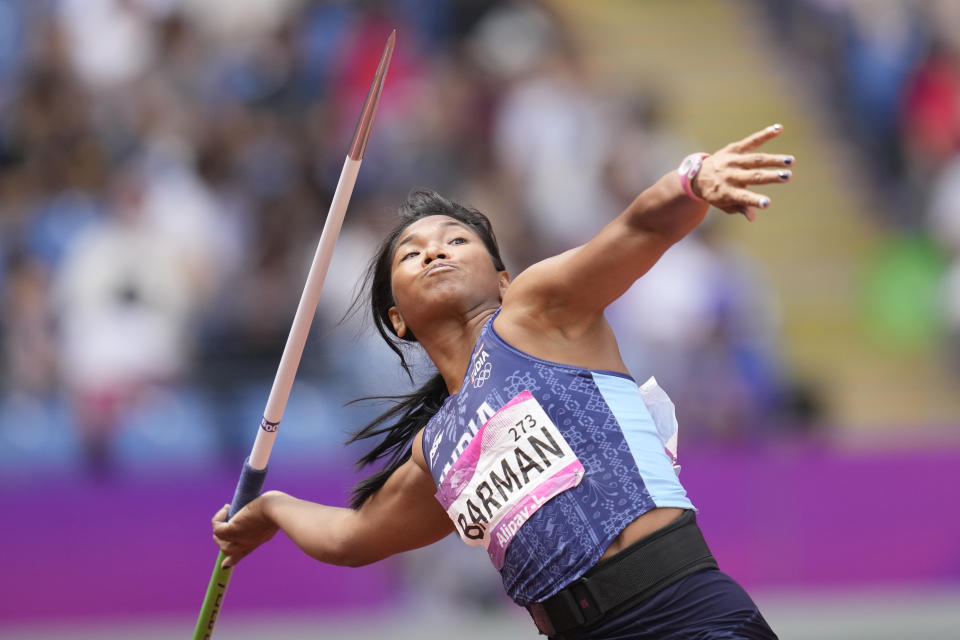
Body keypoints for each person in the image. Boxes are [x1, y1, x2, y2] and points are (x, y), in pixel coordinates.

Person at [212, 124, 794, 639]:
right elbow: (352, 538)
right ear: (397, 317)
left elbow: (643, 224)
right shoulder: (435, 449)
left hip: (682, 614)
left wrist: (694, 179)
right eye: (411, 254)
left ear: (501, 277)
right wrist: (273, 509)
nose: (435, 249)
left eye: (456, 240)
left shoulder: (537, 313)